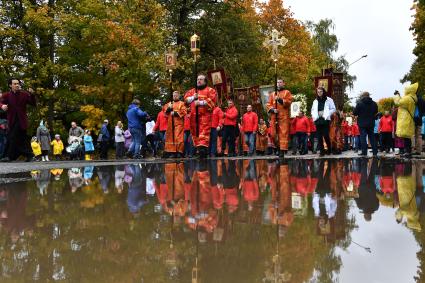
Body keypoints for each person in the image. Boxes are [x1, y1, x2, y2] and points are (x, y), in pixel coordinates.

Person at [0, 78, 37, 162]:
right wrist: (2, 106)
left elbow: (33, 104)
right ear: (10, 85)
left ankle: (10, 157)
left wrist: (32, 94)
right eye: (15, 84)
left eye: (18, 83)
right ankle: (29, 155)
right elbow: (0, 102)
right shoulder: (7, 95)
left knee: (13, 137)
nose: (17, 85)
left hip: (22, 121)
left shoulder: (24, 94)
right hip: (12, 120)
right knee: (19, 139)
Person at [184, 74, 217, 158]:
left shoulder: (210, 90)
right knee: (196, 135)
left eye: (201, 79)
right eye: (198, 79)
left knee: (203, 135)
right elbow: (186, 100)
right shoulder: (192, 91)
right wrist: (192, 98)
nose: (199, 81)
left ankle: (202, 152)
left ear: (205, 81)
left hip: (205, 118)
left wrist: (201, 102)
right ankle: (199, 151)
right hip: (194, 118)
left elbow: (212, 101)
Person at [266, 79, 293, 158]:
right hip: (274, 117)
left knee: (283, 134)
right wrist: (272, 110)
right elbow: (268, 104)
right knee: (273, 134)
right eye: (277, 82)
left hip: (283, 117)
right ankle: (278, 147)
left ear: (283, 83)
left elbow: (289, 102)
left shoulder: (287, 92)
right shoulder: (272, 94)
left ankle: (282, 151)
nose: (279, 84)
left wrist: (280, 99)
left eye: (280, 82)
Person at [395, 83, 419, 158]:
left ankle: (407, 151)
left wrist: (397, 95)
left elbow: (398, 102)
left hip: (405, 119)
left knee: (405, 136)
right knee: (407, 136)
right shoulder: (413, 97)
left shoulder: (408, 98)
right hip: (409, 119)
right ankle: (408, 151)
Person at [311, 87, 336, 156]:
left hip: (325, 119)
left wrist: (326, 113)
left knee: (325, 135)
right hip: (318, 119)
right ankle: (322, 152)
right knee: (319, 137)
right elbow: (312, 110)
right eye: (318, 92)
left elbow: (333, 109)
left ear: (323, 91)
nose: (319, 93)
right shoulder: (315, 101)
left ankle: (329, 149)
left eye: (321, 91)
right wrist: (315, 115)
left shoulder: (329, 100)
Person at [353, 91, 378, 157]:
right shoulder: (374, 103)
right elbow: (376, 112)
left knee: (363, 137)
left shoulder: (359, 103)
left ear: (363, 96)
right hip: (371, 123)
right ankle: (375, 152)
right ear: (369, 95)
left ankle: (364, 152)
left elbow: (355, 113)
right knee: (372, 137)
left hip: (362, 123)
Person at [164, 91, 187, 158]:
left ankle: (179, 152)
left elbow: (184, 111)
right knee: (171, 138)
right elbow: (165, 112)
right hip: (170, 124)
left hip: (179, 124)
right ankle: (172, 153)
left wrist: (175, 113)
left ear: (179, 96)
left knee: (178, 138)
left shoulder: (182, 103)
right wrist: (169, 108)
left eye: (176, 95)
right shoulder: (169, 104)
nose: (175, 96)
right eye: (174, 95)